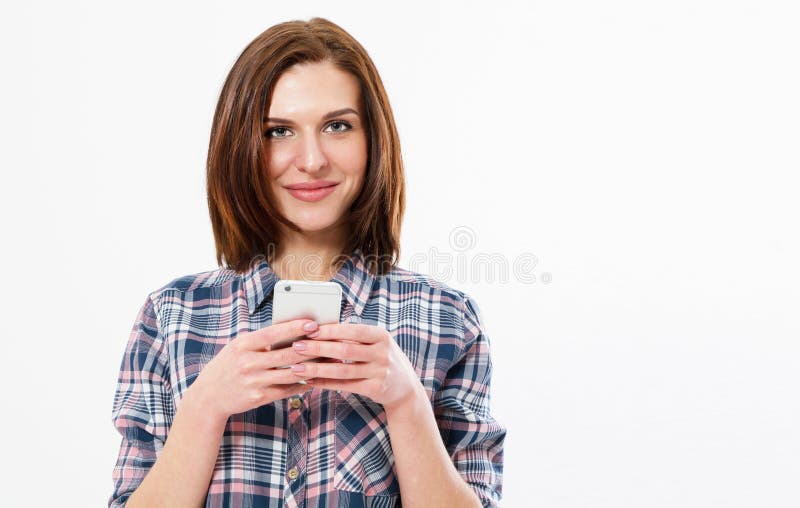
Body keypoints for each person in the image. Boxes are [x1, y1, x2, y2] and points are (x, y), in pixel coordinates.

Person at [109, 17, 505, 508]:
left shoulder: (446, 320)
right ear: (241, 146)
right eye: (278, 131)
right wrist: (205, 407)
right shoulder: (171, 317)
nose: (312, 159)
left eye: (337, 126)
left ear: (372, 139)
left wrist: (406, 402)